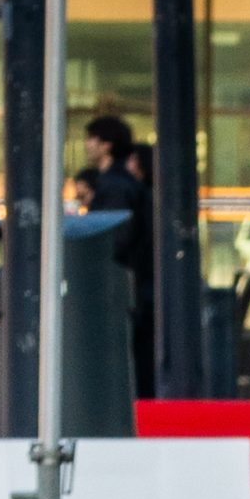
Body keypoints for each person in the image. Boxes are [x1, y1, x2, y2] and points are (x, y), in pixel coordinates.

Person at [83, 114, 155, 397]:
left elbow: (113, 239)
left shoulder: (114, 186)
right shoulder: (123, 184)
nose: (87, 145)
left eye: (91, 139)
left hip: (122, 290)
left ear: (106, 145)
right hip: (134, 288)